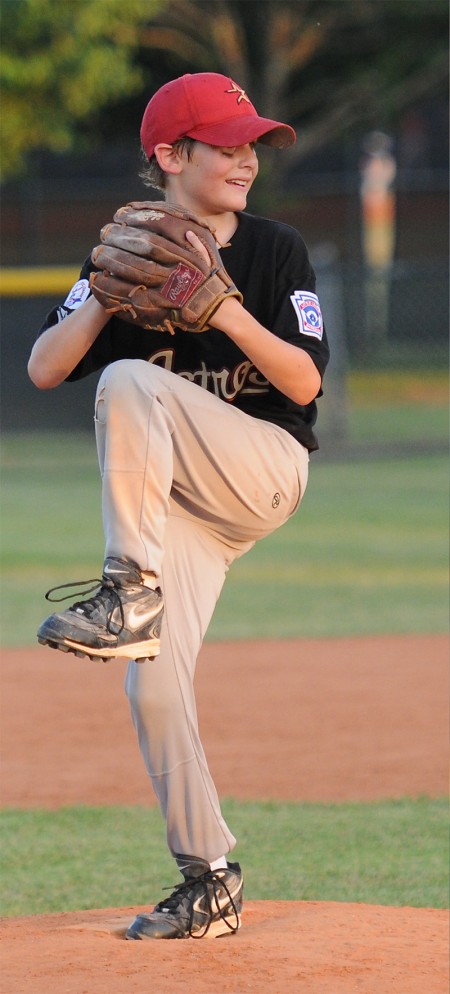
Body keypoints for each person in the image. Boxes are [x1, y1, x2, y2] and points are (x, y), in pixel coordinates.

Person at [28, 72, 329, 940]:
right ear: (169, 155)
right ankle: (210, 877)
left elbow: (305, 380)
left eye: (252, 146)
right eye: (226, 143)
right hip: (185, 508)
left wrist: (225, 309)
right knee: (152, 681)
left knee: (130, 383)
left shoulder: (275, 248)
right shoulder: (121, 251)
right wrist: (100, 298)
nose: (246, 158)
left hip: (262, 465)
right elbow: (47, 366)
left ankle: (125, 587)